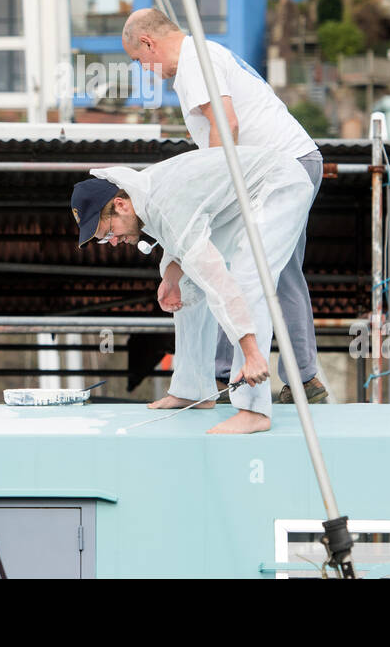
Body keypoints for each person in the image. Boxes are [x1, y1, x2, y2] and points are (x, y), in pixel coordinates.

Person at [121, 8, 329, 403]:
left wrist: (209, 190)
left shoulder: (194, 61)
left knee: (262, 271)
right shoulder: (200, 58)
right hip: (270, 168)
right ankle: (236, 375)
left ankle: (287, 380)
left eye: (138, 61)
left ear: (148, 43)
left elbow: (226, 124)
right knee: (240, 266)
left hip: (280, 168)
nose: (144, 70)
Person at [69, 146, 314, 434]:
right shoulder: (145, 197)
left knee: (248, 278)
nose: (112, 242)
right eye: (104, 239)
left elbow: (216, 279)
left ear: (121, 205)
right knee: (187, 286)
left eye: (108, 231)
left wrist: (251, 352)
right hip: (243, 200)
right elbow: (180, 241)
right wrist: (172, 279)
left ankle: (254, 408)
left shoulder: (163, 203)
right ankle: (193, 389)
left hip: (279, 185)